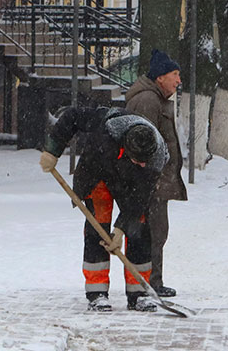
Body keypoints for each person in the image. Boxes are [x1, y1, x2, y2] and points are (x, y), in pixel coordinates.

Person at [39, 104, 168, 312]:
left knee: (139, 227)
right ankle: (97, 293)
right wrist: (52, 150)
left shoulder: (155, 158)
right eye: (138, 160)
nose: (143, 164)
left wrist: (121, 229)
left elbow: (140, 199)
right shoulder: (104, 124)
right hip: (96, 174)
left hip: (132, 185)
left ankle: (140, 293)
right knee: (96, 227)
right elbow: (71, 116)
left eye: (145, 161)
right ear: (125, 149)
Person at [123, 49, 187, 298]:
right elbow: (141, 144)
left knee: (156, 231)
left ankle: (151, 281)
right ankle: (148, 283)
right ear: (160, 77)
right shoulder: (148, 101)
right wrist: (147, 177)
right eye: (174, 74)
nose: (178, 81)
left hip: (154, 181)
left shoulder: (154, 99)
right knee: (152, 232)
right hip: (149, 182)